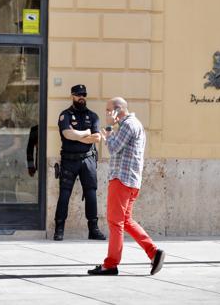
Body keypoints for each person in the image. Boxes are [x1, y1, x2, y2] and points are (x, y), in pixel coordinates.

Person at [88, 97, 165, 276]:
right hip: (130, 181)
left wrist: (107, 131)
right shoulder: (132, 124)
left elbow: (113, 148)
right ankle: (154, 253)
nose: (106, 113)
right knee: (126, 221)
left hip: (121, 180)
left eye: (108, 110)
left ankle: (111, 264)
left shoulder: (128, 125)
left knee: (115, 222)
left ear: (118, 110)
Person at [54, 84, 106, 241]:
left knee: (91, 194)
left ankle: (93, 229)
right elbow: (67, 134)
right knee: (64, 194)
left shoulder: (93, 116)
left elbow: (97, 138)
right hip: (69, 159)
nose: (81, 97)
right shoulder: (65, 115)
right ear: (72, 96)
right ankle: (59, 229)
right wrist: (86, 133)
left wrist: (79, 135)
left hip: (88, 159)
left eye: (83, 94)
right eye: (78, 94)